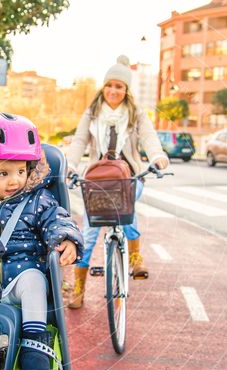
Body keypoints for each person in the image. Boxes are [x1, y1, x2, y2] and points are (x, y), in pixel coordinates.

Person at [0, 113, 83, 370]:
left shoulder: (38, 200)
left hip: (18, 280)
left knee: (34, 281)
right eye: (3, 173)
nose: (14, 180)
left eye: (20, 171)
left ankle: (34, 344)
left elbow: (58, 220)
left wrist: (66, 239)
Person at [65, 55, 168, 309]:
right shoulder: (92, 112)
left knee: (127, 202)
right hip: (97, 180)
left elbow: (149, 137)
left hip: (129, 176)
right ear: (104, 87)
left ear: (126, 90)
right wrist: (70, 165)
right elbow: (78, 141)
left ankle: (134, 257)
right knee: (88, 234)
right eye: (109, 85)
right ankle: (79, 288)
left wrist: (157, 157)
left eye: (119, 86)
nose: (113, 90)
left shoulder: (135, 113)